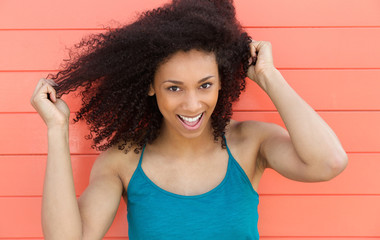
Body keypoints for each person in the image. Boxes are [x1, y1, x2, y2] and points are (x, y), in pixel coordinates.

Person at [30, 0, 348, 239]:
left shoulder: (251, 143)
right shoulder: (122, 161)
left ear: (222, 81)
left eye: (205, 85)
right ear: (152, 87)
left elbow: (329, 162)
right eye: (174, 88)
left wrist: (267, 75)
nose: (192, 103)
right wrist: (56, 130)